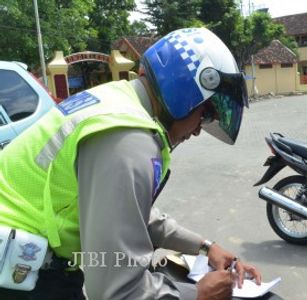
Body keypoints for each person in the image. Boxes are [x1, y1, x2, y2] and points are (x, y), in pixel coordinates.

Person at [0, 27, 261, 300]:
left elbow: (127, 213)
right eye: (205, 114)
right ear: (185, 92)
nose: (197, 130)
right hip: (21, 275)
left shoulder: (116, 101)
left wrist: (206, 246)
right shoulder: (127, 138)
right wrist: (197, 294)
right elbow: (117, 290)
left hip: (28, 261)